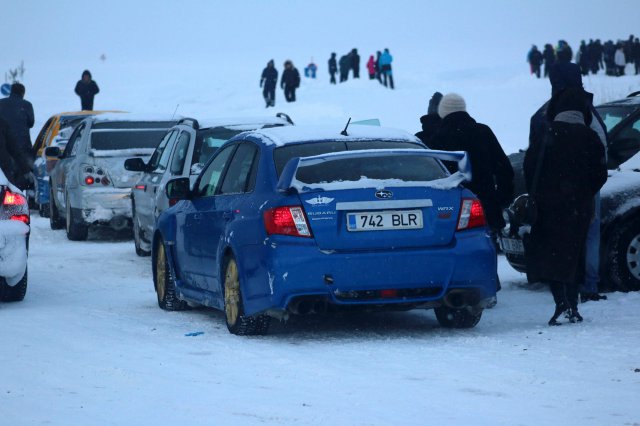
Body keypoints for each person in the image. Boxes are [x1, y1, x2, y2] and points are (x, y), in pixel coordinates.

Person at [524, 88, 607, 325]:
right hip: (578, 207)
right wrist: (584, 191)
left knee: (552, 254)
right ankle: (573, 303)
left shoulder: (545, 135)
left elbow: (530, 169)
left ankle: (560, 302)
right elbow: (600, 173)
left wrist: (539, 193)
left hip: (548, 207)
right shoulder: (590, 138)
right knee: (575, 254)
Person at [426, 93, 514, 305]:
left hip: (455, 203)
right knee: (486, 242)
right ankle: (490, 286)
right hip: (486, 199)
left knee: (463, 245)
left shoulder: (438, 139)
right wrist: (501, 198)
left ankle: (465, 286)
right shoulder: (483, 132)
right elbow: (504, 169)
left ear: (443, 112)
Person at [0, 82, 35, 165]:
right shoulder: (27, 105)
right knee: (24, 170)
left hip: (3, 144)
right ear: (23, 93)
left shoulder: (1, 103)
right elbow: (31, 123)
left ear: (11, 91)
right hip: (22, 144)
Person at [0, 117, 32, 190]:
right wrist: (25, 170)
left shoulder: (2, 124)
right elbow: (14, 150)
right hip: (3, 170)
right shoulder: (2, 123)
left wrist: (25, 169)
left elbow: (14, 149)